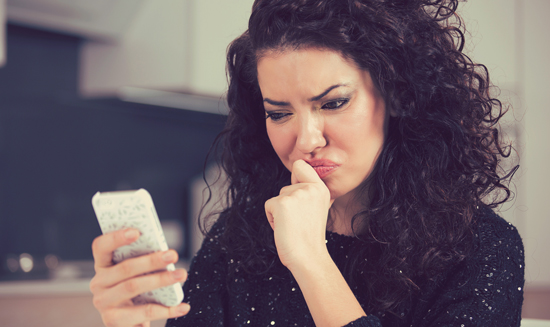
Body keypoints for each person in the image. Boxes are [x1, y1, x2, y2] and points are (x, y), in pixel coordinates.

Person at [90, 0, 525, 326]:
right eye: (279, 113)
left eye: (333, 103)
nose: (305, 140)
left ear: (397, 94)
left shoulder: (482, 249)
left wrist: (312, 262)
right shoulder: (238, 238)